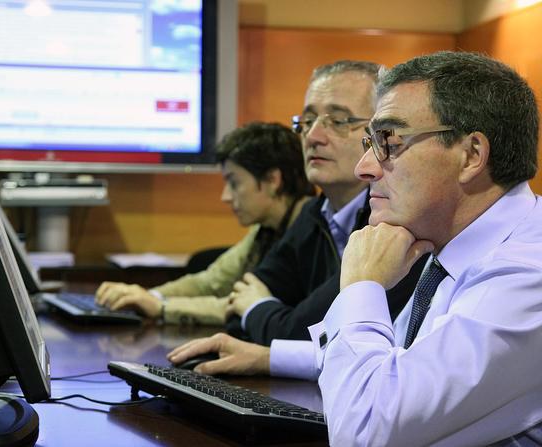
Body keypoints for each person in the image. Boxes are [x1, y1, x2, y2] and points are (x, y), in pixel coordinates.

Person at [169, 51, 542, 445]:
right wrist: (269, 357)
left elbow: (363, 431)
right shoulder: (455, 247)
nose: (365, 168)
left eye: (389, 142)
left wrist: (363, 285)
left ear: (471, 155)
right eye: (370, 143)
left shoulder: (525, 278)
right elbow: (401, 359)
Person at [222, 60, 425, 344]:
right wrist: (262, 314)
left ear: (382, 133)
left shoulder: (395, 220)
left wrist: (256, 309)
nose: (313, 137)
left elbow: (309, 335)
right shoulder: (314, 212)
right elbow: (238, 305)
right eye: (307, 122)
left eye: (339, 121)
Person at [95, 122, 315, 326]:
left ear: (272, 180)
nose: (225, 196)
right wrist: (147, 296)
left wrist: (161, 307)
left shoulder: (309, 230)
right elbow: (210, 282)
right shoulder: (266, 227)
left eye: (234, 183)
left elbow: (244, 306)